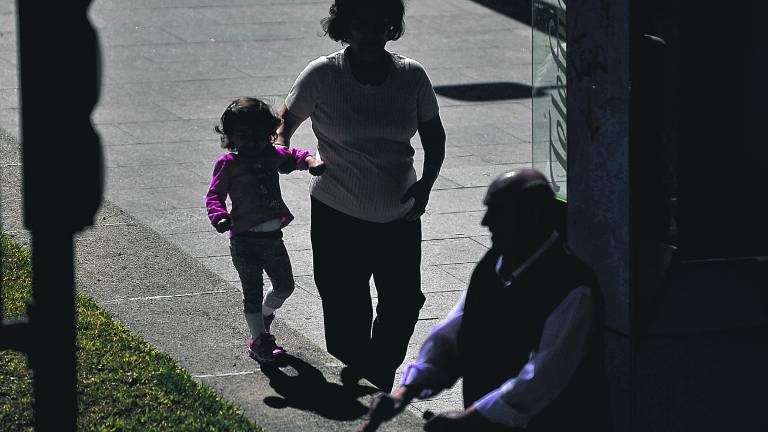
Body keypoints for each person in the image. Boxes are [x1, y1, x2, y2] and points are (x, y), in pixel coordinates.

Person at [276, 0, 447, 391]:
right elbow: (283, 124)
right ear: (345, 28)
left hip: (399, 215)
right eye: (361, 25)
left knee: (404, 304)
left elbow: (434, 138)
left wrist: (427, 184)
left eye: (381, 24)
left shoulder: (412, 76)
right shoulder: (322, 74)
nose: (371, 33)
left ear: (392, 28)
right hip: (338, 213)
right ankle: (366, 380)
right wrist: (282, 150)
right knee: (344, 312)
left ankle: (377, 374)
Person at [359, 168, 612, 432]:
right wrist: (404, 393)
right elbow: (454, 334)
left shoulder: (571, 285)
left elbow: (543, 378)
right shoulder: (494, 263)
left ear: (533, 218)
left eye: (499, 212)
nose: (485, 222)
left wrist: (467, 420)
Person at [206, 96, 326, 364]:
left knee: (284, 286)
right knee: (252, 290)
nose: (252, 141)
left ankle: (264, 315)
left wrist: (311, 163)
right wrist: (219, 217)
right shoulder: (228, 163)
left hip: (273, 239)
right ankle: (259, 340)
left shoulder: (271, 156)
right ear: (231, 137)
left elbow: (296, 156)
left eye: (259, 135)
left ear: (270, 134)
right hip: (244, 240)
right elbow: (214, 195)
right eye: (244, 135)